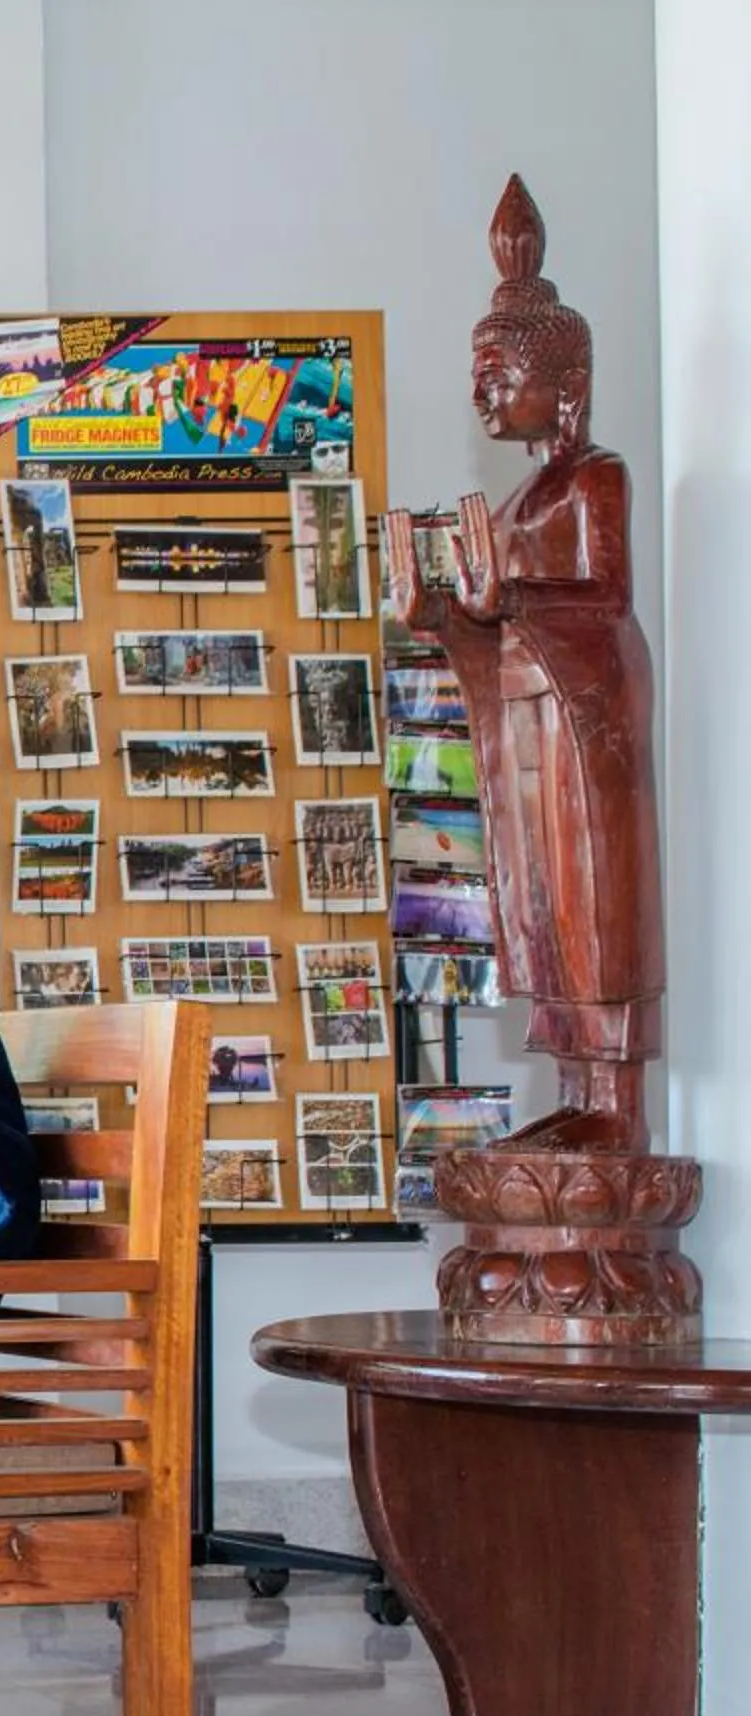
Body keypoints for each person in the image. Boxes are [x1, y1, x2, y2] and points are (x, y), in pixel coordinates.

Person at [384, 176, 665, 1151]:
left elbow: (609, 597)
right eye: (480, 375)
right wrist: (441, 616)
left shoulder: (596, 477)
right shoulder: (517, 502)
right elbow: (490, 625)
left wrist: (512, 599)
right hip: (531, 722)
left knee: (594, 900)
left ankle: (613, 1107)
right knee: (540, 899)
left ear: (567, 381)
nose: (483, 394)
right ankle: (576, 1092)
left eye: (500, 373)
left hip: (587, 723)